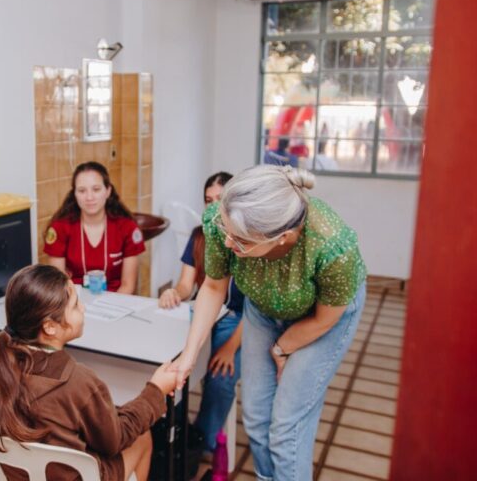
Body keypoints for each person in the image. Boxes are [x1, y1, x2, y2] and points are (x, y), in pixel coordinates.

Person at [172, 165, 367, 481]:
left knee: (287, 426)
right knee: (256, 417)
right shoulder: (223, 221)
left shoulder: (333, 247)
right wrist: (189, 354)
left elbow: (324, 318)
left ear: (283, 237)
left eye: (242, 242)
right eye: (227, 232)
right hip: (263, 307)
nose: (229, 244)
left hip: (321, 318)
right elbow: (213, 286)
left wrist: (283, 347)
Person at [0, 264, 177, 481]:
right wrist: (155, 391)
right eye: (76, 305)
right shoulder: (79, 382)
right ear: (50, 327)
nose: (83, 308)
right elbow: (114, 441)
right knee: (142, 437)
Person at [157, 171, 244, 454]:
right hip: (202, 312)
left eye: (221, 199)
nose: (214, 207)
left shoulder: (248, 241)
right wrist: (174, 293)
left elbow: (257, 312)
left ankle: (198, 442)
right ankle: (167, 431)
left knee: (220, 377)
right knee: (170, 361)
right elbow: (185, 285)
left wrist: (230, 347)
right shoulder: (199, 236)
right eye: (208, 200)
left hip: (237, 320)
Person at [44, 161, 145, 294]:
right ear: (74, 194)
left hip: (117, 302)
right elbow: (58, 285)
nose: (89, 197)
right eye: (82, 191)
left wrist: (109, 311)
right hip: (74, 302)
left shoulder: (126, 228)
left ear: (108, 191)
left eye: (96, 189)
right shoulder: (60, 228)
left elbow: (128, 285)